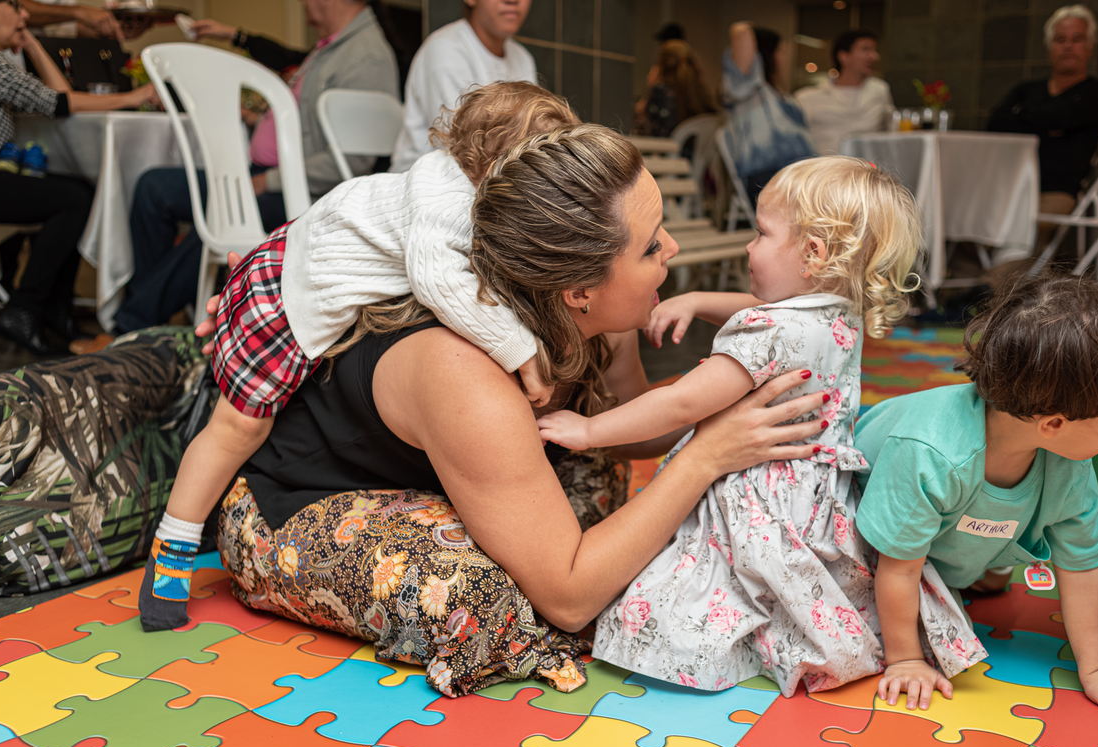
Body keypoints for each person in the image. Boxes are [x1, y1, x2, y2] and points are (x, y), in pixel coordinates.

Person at [204, 124, 830, 697]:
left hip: (453, 471)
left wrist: (715, 403)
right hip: (296, 500)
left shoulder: (600, 319)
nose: (670, 247)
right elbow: (569, 598)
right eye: (647, 248)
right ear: (578, 291)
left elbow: (626, 433)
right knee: (484, 598)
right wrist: (706, 454)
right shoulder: (464, 373)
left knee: (602, 483)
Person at [138, 82, 576, 631]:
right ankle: (170, 555)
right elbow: (443, 282)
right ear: (493, 165)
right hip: (280, 299)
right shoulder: (450, 202)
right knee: (236, 430)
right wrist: (522, 352)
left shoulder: (446, 183)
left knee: (238, 427)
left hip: (282, 258)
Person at [543, 157, 955, 697]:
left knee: (713, 583)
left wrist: (590, 431)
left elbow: (683, 402)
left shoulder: (776, 330)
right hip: (817, 494)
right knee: (789, 586)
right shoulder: (836, 313)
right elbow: (763, 313)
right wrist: (698, 301)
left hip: (759, 492)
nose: (747, 247)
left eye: (761, 233)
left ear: (813, 254)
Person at [855, 275, 1098, 716]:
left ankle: (978, 567)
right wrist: (906, 660)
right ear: (1053, 423)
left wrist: (1096, 669)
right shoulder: (932, 453)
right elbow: (897, 568)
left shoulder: (1069, 456)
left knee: (987, 577)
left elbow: (1084, 562)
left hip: (959, 529)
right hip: (872, 539)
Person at [87, 0, 399, 348]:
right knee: (154, 188)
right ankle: (152, 327)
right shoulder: (332, 44)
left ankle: (131, 330)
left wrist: (266, 181)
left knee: (222, 216)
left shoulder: (364, 56)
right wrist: (260, 121)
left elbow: (351, 165)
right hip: (268, 174)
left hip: (304, 194)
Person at [0, 0, 155, 354]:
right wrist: (133, 97)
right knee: (74, 199)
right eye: (15, 6)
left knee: (78, 191)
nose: (25, 14)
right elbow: (57, 104)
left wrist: (29, 42)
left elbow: (58, 97)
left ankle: (54, 310)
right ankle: (25, 308)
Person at [987, 5, 1098, 258]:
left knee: (1022, 231)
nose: (1068, 46)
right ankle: (964, 290)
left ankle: (989, 290)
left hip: (1057, 189)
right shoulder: (1027, 88)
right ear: (1049, 48)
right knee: (964, 221)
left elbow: (1060, 116)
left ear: (1090, 47)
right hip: (1009, 184)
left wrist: (1022, 115)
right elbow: (996, 123)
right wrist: (1050, 125)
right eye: (1060, 40)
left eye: (1077, 39)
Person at [390, 0, 535, 173]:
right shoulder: (445, 50)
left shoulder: (522, 57)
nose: (512, 1)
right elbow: (465, 148)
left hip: (496, 179)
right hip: (428, 180)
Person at [722, 22, 815, 205]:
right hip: (768, 175)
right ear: (765, 54)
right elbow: (741, 33)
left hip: (800, 174)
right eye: (780, 51)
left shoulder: (781, 96)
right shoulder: (747, 89)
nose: (784, 58)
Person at [794, 29, 893, 156]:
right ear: (843, 56)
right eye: (865, 50)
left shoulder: (879, 90)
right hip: (824, 169)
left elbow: (889, 130)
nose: (874, 56)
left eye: (874, 51)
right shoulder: (807, 98)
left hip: (867, 169)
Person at [632, 39, 718, 139]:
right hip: (696, 154)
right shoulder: (700, 92)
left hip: (669, 152)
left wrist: (644, 103)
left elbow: (654, 136)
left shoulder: (660, 91)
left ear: (660, 65)